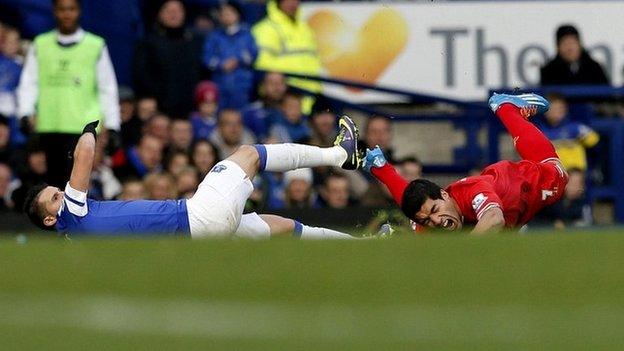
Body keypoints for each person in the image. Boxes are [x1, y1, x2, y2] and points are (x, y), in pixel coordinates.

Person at [23, 116, 361, 239]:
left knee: (278, 227)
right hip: (198, 217)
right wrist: (88, 129)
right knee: (249, 153)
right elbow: (84, 155)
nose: (63, 195)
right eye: (55, 197)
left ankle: (364, 248)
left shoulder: (77, 240)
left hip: (196, 236)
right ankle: (340, 155)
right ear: (52, 219)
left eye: (58, 192)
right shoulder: (73, 214)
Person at [365, 93, 568, 234]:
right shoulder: (428, 220)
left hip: (521, 182)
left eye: (435, 210)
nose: (435, 221)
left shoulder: (472, 191)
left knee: (557, 173)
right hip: (498, 192)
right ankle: (377, 164)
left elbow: (494, 219)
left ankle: (505, 107)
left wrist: (460, 255)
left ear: (444, 194)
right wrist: (381, 169)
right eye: (427, 219)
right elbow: (407, 199)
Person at [17, 0, 120, 188]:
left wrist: (113, 124)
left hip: (83, 129)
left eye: (71, 9)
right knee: (52, 189)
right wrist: (24, 112)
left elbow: (107, 87)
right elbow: (29, 83)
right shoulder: (40, 44)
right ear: (54, 11)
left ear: (79, 11)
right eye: (62, 9)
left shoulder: (95, 45)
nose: (67, 14)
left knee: (77, 187)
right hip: (48, 127)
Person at [133, 0, 202, 118]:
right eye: (169, 10)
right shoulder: (148, 43)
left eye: (178, 10)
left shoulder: (194, 43)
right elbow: (142, 75)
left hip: (190, 109)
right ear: (159, 14)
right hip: (159, 109)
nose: (174, 14)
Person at [252, 0, 322, 114]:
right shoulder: (265, 28)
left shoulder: (304, 28)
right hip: (284, 102)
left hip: (310, 100)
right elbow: (263, 64)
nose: (293, 4)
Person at [202, 1, 258, 109]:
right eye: (223, 13)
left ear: (237, 14)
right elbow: (207, 58)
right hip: (220, 83)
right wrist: (221, 65)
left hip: (243, 84)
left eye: (230, 12)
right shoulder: (214, 36)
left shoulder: (247, 34)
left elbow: (254, 54)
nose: (226, 16)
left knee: (241, 115)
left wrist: (238, 60)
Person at [537, 94, 599, 171]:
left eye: (561, 108)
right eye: (554, 109)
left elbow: (593, 140)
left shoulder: (575, 128)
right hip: (551, 174)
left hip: (573, 172)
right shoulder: (540, 132)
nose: (558, 112)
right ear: (545, 111)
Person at [540, 24, 609, 86]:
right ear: (558, 47)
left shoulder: (594, 68)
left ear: (579, 44)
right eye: (565, 44)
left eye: (573, 43)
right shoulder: (549, 71)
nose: (570, 48)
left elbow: (606, 95)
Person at [242, 72, 287, 141]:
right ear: (263, 86)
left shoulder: (293, 111)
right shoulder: (251, 112)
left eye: (280, 83)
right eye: (272, 83)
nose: (277, 88)